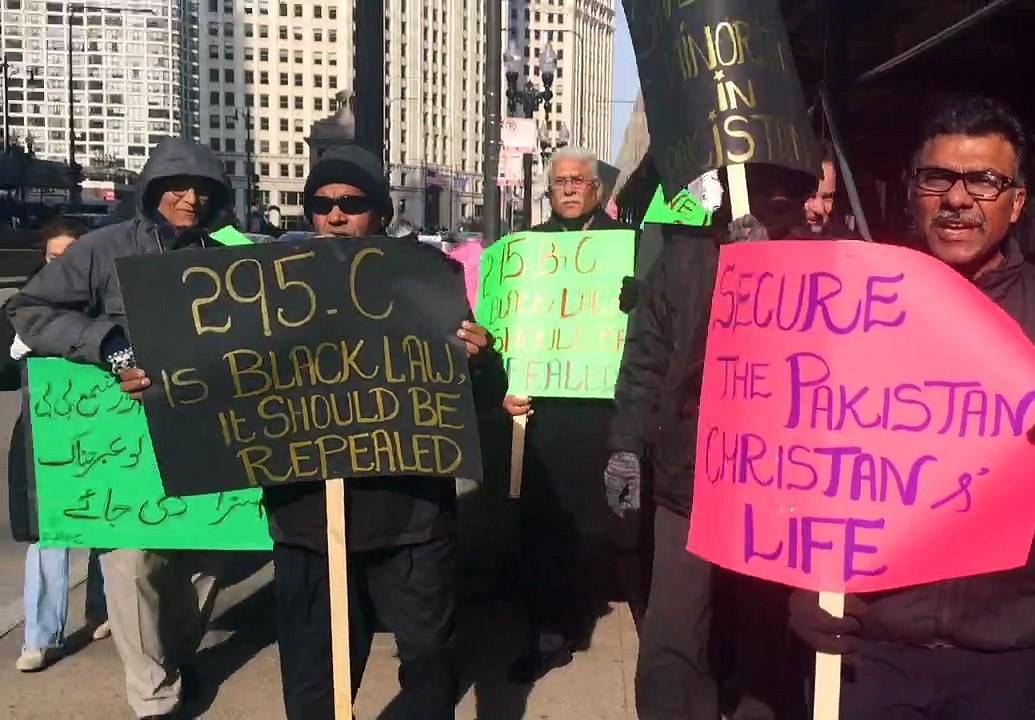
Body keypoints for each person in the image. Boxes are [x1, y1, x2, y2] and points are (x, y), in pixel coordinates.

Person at [784, 96, 1035, 720]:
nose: (957, 199)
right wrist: (796, 577)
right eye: (938, 178)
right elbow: (788, 459)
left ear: (1017, 201)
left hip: (1006, 650)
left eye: (985, 181)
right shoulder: (844, 306)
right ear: (914, 191)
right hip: (866, 642)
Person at [246, 144, 503, 719]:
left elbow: (476, 404)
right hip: (309, 521)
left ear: (381, 213)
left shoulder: (430, 279)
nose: (336, 215)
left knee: (430, 668)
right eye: (322, 203)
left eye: (353, 203)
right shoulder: (267, 291)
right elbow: (224, 383)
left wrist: (480, 362)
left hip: (409, 519)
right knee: (314, 681)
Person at [8, 137, 232, 719]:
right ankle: (154, 698)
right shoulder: (101, 249)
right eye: (177, 186)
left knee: (204, 562)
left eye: (202, 189)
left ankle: (175, 658)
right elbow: (31, 311)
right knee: (133, 566)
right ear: (153, 189)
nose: (189, 198)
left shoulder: (227, 258)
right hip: (122, 448)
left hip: (204, 440)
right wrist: (105, 344)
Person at [608, 164, 818, 720]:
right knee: (674, 634)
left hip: (780, 485)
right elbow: (645, 362)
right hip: (688, 480)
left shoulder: (824, 262)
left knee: (765, 634)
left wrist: (774, 268)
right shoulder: (682, 259)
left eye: (786, 196)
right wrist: (626, 445)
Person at [502, 147, 647, 683]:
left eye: (577, 181)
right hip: (542, 409)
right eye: (558, 181)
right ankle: (548, 630)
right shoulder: (527, 247)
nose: (566, 189)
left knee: (602, 523)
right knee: (542, 520)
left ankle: (623, 608)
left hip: (604, 405)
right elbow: (503, 321)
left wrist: (635, 295)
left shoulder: (625, 246)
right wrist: (504, 383)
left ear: (596, 189)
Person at [5, 218, 111, 673]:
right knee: (49, 534)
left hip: (101, 433)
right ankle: (39, 637)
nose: (63, 265)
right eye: (55, 257)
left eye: (72, 256)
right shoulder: (19, 310)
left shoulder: (106, 304)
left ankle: (103, 610)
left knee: (108, 522)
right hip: (43, 437)